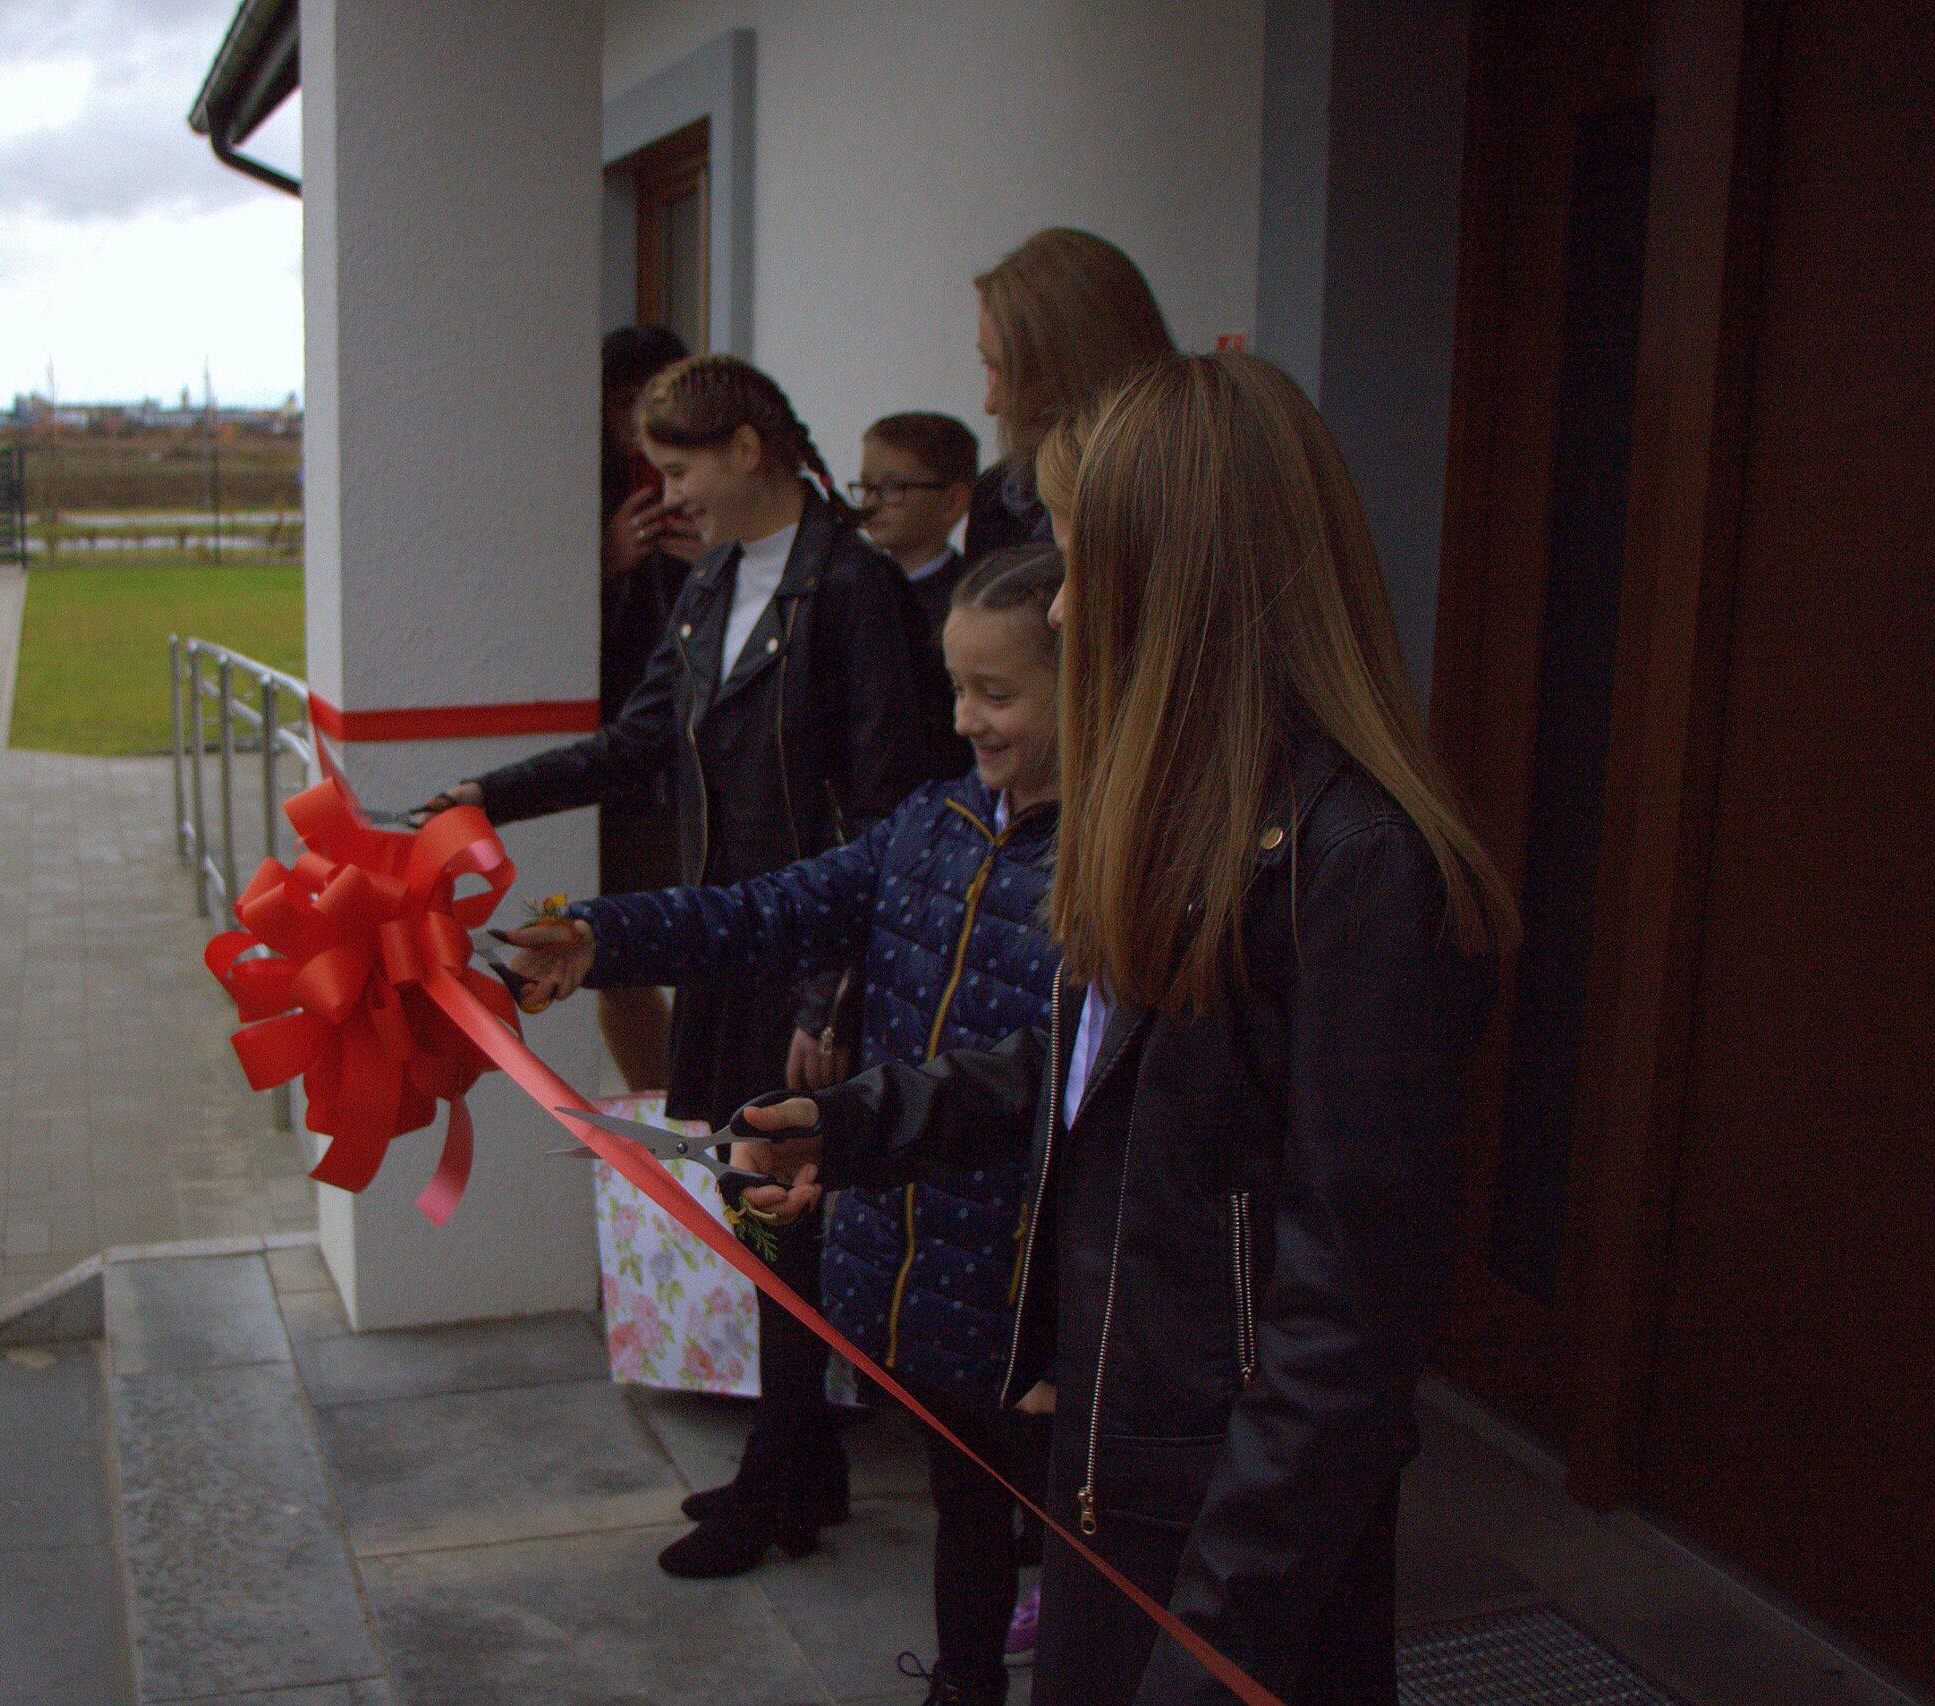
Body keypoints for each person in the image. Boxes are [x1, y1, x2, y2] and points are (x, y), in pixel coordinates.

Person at [734, 352, 1518, 1703]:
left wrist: (1210, 1648)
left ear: (1187, 583)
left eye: (1084, 557)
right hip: (1120, 1482)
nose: (1071, 598)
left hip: (1223, 1554)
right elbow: (1107, 1079)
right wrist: (861, 1120)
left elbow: (1345, 1330)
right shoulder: (1197, 816)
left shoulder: (1358, 868)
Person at [430, 353, 954, 1578]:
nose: (666, 496)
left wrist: (833, 989)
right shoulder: (716, 576)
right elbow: (642, 738)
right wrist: (490, 794)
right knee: (753, 1202)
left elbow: (890, 810)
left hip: (811, 961)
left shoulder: (853, 590)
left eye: (678, 468)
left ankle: (787, 1463)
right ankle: (798, 1454)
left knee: (788, 1208)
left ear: (750, 449)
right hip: (732, 943)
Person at [508, 547, 1064, 1701]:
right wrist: (605, 934)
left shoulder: (1118, 862)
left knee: (1055, 1515)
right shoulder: (934, 818)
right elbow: (771, 907)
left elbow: (1051, 1081)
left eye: (997, 694)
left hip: (1038, 1264)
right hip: (922, 1233)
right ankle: (962, 1681)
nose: (965, 719)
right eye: (956, 689)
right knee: (964, 1499)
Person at [595, 324, 698, 1092]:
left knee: (713, 940)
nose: (636, 421)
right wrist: (603, 563)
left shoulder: (713, 482)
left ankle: (713, 1104)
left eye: (651, 400)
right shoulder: (580, 486)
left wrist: (719, 557)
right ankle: (667, 1116)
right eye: (623, 401)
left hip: (707, 753)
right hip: (622, 759)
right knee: (619, 954)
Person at [965, 228, 1174, 565]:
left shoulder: (1186, 495)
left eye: (1009, 371)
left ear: (1076, 369)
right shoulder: (999, 503)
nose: (991, 404)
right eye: (987, 365)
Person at [850, 411, 980, 630]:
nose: (870, 502)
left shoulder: (968, 604)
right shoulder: (856, 586)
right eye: (866, 486)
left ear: (952, 502)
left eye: (894, 487)